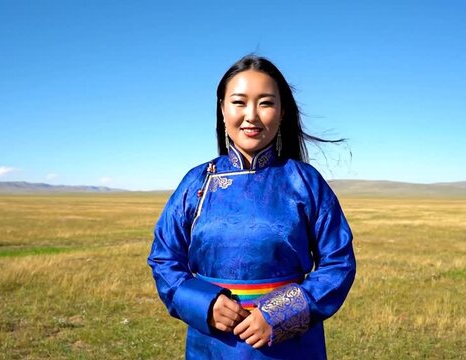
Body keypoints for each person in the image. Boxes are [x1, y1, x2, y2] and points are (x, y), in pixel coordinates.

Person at [148, 54, 356, 359]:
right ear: (222, 109)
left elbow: (338, 263)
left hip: (290, 347)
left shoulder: (306, 182)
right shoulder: (196, 183)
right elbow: (164, 258)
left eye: (266, 103)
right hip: (213, 345)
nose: (252, 116)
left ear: (282, 112)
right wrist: (203, 304)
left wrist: (278, 315)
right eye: (239, 102)